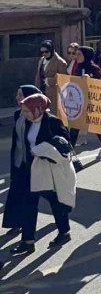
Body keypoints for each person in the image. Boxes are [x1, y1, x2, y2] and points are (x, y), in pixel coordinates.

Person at [11, 94, 71, 255]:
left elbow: (65, 143)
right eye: (23, 110)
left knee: (55, 201)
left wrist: (43, 150)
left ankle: (64, 232)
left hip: (48, 169)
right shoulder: (27, 122)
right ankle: (28, 241)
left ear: (38, 109)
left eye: (27, 111)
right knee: (28, 204)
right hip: (30, 169)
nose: (24, 114)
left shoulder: (52, 122)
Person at [4, 85, 42, 239]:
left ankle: (62, 218)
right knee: (15, 192)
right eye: (17, 94)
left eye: (20, 95)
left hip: (32, 163)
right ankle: (16, 223)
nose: (17, 97)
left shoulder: (36, 117)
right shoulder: (17, 114)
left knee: (41, 196)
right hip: (19, 162)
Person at [35, 40, 67, 114]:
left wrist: (50, 81)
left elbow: (63, 79)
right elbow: (38, 74)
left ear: (51, 50)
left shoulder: (60, 62)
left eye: (46, 51)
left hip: (53, 93)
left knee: (52, 114)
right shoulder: (42, 60)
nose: (44, 54)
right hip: (41, 91)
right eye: (42, 52)